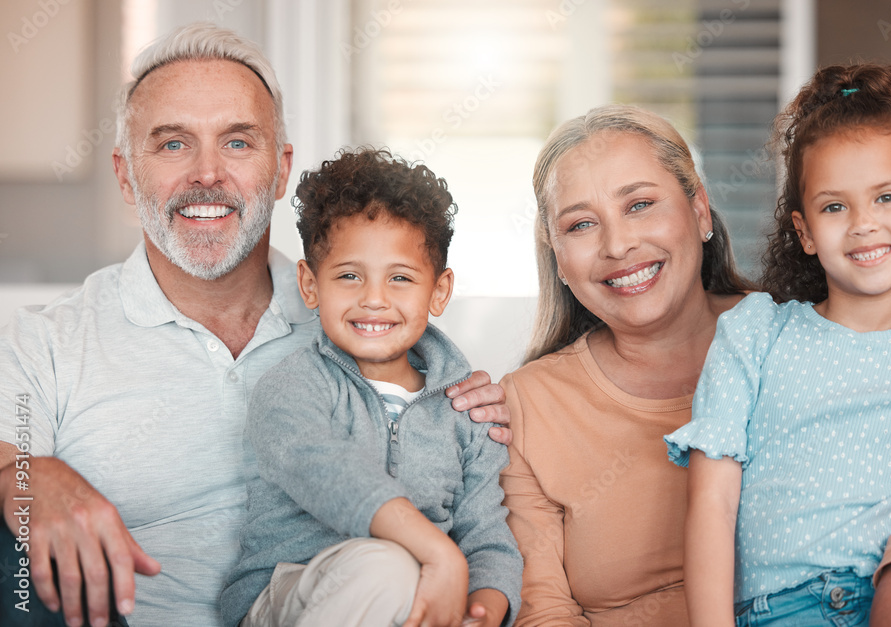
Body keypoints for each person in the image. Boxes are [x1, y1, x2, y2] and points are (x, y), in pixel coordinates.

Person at [0, 23, 509, 627]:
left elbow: (457, 457)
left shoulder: (362, 315)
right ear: (124, 175)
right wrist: (22, 475)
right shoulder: (45, 343)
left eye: (238, 143)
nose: (208, 173)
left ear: (281, 168)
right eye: (172, 145)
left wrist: (483, 406)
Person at [665, 62, 891, 626]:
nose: (863, 224)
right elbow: (712, 503)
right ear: (805, 232)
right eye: (835, 206)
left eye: (887, 197)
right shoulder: (756, 332)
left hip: (878, 608)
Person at [221, 148, 522, 627]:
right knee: (390, 567)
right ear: (310, 284)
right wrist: (440, 555)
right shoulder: (292, 389)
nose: (374, 299)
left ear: (439, 291)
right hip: (291, 593)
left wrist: (483, 609)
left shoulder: (466, 410)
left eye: (400, 278)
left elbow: (486, 532)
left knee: (414, 583)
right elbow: (332, 475)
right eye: (349, 276)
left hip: (418, 601)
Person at [498, 104, 754, 625]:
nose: (618, 245)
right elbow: (544, 611)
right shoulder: (527, 406)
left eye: (639, 204)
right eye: (582, 224)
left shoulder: (800, 340)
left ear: (700, 211)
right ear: (559, 259)